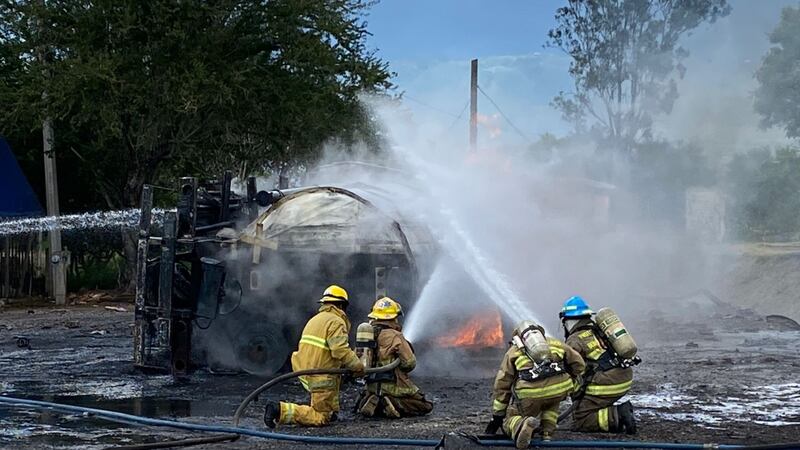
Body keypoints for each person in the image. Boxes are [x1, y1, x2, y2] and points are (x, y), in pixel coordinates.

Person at [263, 285, 365, 427]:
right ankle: (279, 410)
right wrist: (358, 366)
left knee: (331, 386)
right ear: (342, 305)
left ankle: (331, 412)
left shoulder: (316, 320)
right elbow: (339, 350)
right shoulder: (336, 321)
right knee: (319, 417)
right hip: (319, 373)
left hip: (306, 369)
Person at [486, 320, 585, 448]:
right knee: (551, 404)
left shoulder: (514, 351)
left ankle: (522, 425)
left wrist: (498, 415)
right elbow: (579, 364)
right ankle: (547, 434)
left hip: (530, 395)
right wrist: (570, 378)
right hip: (560, 389)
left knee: (510, 419)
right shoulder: (556, 343)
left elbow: (503, 383)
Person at [559, 296, 636, 434]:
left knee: (581, 419)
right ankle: (608, 409)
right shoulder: (599, 330)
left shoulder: (574, 340)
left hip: (608, 384)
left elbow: (569, 371)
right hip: (625, 376)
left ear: (568, 321)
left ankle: (618, 414)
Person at [355, 297, 433, 418]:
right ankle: (393, 402)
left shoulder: (367, 335)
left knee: (370, 395)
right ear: (393, 317)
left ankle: (373, 401)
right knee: (424, 405)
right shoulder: (395, 336)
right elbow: (409, 363)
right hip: (394, 385)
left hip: (371, 386)